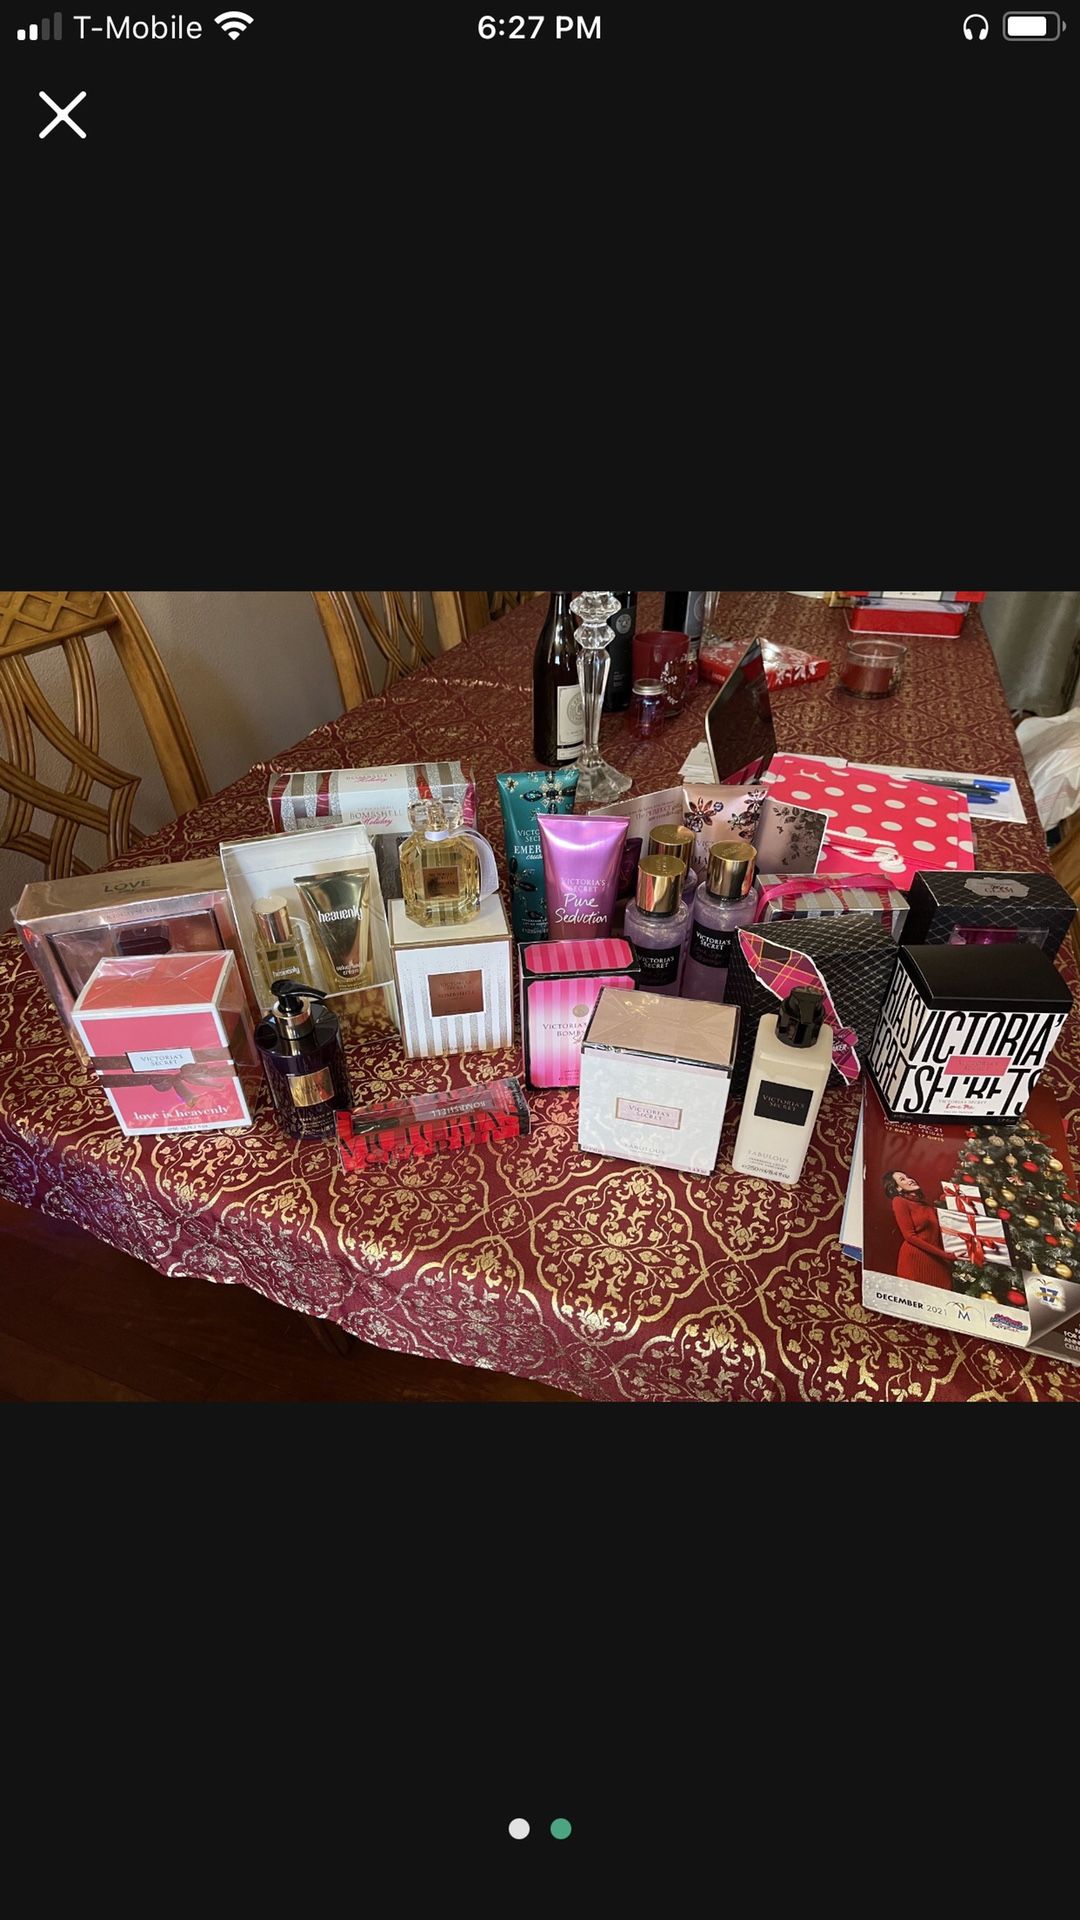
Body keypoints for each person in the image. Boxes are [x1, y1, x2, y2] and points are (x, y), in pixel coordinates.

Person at [883, 1170, 955, 1287]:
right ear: (898, 1188)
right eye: (902, 1179)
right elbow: (909, 1236)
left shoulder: (926, 1206)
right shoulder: (899, 1201)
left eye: (908, 1177)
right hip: (915, 1261)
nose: (910, 1180)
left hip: (937, 1261)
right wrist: (945, 1255)